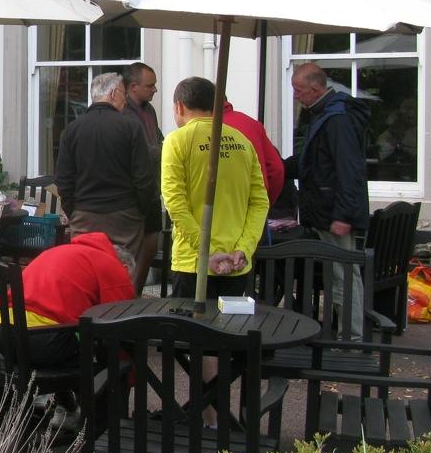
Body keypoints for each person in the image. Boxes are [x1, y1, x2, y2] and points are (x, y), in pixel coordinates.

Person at [161, 77, 269, 299]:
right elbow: (259, 202)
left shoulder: (177, 140)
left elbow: (175, 203)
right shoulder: (243, 141)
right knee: (229, 330)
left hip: (193, 262)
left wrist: (206, 250)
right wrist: (245, 248)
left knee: (192, 331)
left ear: (179, 106)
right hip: (236, 260)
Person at [286, 63, 370, 338]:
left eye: (299, 91)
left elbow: (349, 168)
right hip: (325, 209)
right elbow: (313, 162)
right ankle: (347, 334)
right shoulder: (324, 114)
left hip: (332, 211)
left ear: (315, 88)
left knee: (342, 276)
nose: (296, 96)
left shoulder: (337, 118)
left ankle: (351, 338)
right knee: (340, 275)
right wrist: (279, 167)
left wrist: (343, 215)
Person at [53, 72, 157, 274]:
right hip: (124, 215)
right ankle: (121, 307)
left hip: (84, 215)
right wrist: (139, 212)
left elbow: (63, 179)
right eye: (123, 94)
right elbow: (144, 178)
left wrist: (73, 211)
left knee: (86, 271)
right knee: (124, 273)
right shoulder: (131, 127)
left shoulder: (72, 129)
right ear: (113, 93)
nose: (125, 100)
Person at [18, 231, 134, 368]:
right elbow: (120, 326)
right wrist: (127, 373)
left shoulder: (59, 250)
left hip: (3, 333)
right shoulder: (111, 265)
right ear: (124, 268)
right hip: (43, 342)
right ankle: (97, 387)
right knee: (93, 339)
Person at [121, 61, 164, 289]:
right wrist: (164, 151)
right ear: (133, 86)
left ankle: (135, 291)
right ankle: (126, 292)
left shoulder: (150, 111)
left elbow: (157, 138)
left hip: (152, 187)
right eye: (150, 85)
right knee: (132, 246)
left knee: (151, 240)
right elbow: (141, 150)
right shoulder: (123, 113)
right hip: (132, 190)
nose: (155, 90)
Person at [222, 100, 285, 205]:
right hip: (254, 204)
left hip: (221, 208)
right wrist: (264, 205)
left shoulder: (200, 129)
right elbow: (276, 169)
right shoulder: (252, 123)